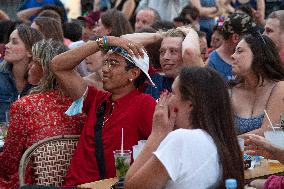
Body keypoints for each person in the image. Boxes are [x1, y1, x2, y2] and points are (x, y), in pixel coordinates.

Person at [51, 36, 156, 186]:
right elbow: (58, 65)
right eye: (106, 62)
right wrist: (105, 41)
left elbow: (161, 148)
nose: (105, 69)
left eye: (113, 64)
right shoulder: (96, 99)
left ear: (133, 74)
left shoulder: (144, 103)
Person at [124, 67, 244, 189]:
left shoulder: (182, 139)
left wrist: (157, 134)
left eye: (173, 93)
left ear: (190, 104)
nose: (168, 98)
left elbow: (131, 186)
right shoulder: (220, 138)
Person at [0, 39, 86, 189]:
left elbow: (9, 165)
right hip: (75, 182)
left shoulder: (25, 106)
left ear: (46, 69)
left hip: (30, 184)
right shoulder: (83, 104)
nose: (29, 66)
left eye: (34, 62)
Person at [229, 34, 284, 135]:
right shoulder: (229, 91)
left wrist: (231, 143)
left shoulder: (279, 87)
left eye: (239, 51)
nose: (232, 56)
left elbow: (269, 132)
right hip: (234, 150)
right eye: (234, 51)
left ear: (258, 55)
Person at [0, 24, 44, 122]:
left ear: (30, 51)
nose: (6, 45)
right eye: (9, 41)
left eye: (14, 42)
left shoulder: (43, 82)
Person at [208, 13, 256, 81]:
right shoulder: (211, 64)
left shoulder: (251, 56)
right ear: (235, 37)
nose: (253, 38)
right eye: (249, 35)